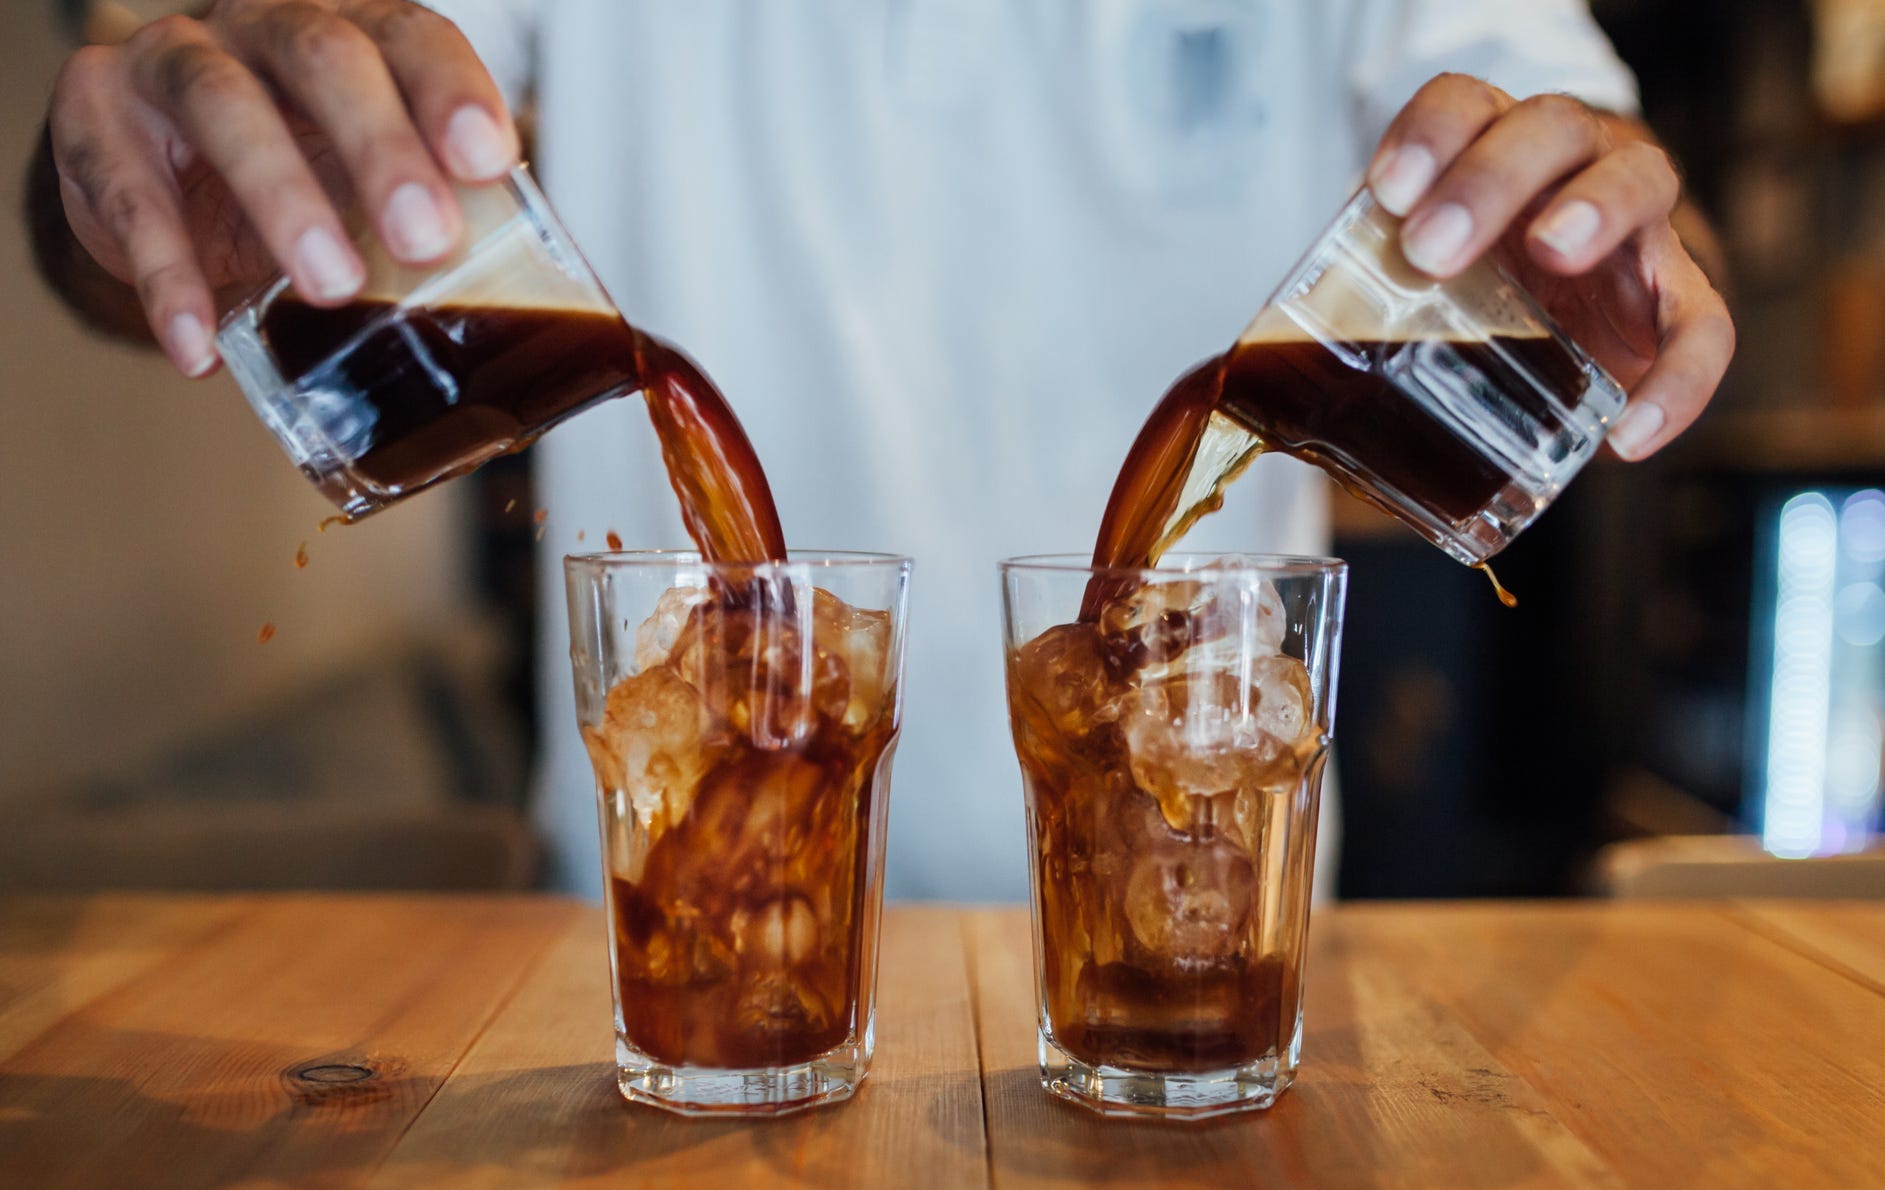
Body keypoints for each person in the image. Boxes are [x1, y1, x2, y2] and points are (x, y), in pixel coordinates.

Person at [27, 0, 1733, 901]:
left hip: (1201, 953)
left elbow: (1601, 173)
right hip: (639, 966)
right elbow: (198, 170)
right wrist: (133, 196)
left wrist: (1623, 235)